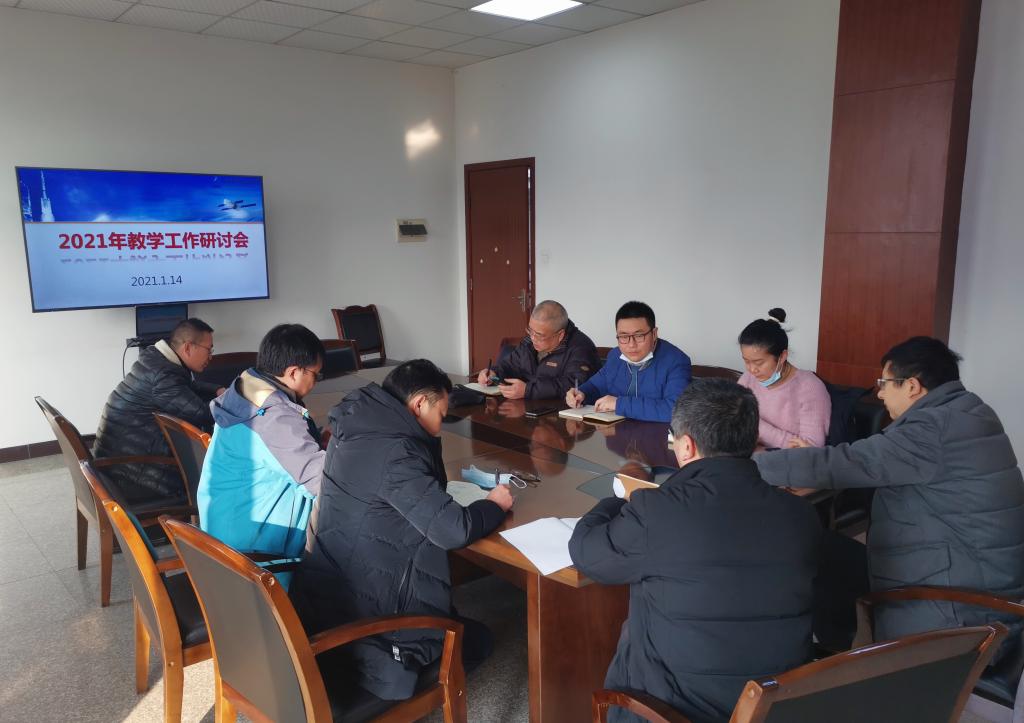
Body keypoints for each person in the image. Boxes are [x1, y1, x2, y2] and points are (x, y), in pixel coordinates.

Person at [569, 379, 821, 722]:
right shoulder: (801, 514)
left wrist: (618, 500)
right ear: (751, 442)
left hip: (676, 709)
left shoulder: (659, 511)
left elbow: (586, 552)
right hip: (774, 705)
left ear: (686, 446)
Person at [757, 337, 1024, 643]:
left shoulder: (931, 429)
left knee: (804, 548)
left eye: (884, 384)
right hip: (975, 579)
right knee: (819, 546)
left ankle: (850, 658)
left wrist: (743, 465)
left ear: (912, 386)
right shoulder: (970, 412)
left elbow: (845, 463)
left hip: (954, 606)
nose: (880, 393)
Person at [292, 359, 514, 701]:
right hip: (372, 625)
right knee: (478, 640)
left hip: (331, 597)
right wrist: (494, 504)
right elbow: (452, 531)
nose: (440, 428)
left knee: (464, 625)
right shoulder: (397, 452)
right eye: (441, 414)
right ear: (419, 404)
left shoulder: (356, 427)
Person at [197, 323, 326, 561]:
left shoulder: (246, 389)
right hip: (255, 558)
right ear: (294, 372)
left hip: (225, 531)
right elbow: (320, 481)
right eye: (316, 375)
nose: (316, 382)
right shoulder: (273, 417)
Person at [93, 318, 220, 506]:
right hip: (132, 476)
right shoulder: (163, 376)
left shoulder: (156, 360)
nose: (211, 356)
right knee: (217, 476)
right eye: (209, 350)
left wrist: (217, 391)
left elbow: (186, 387)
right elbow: (202, 413)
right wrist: (235, 400)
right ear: (187, 348)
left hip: (115, 463)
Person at [565, 301, 690, 422]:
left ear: (654, 333)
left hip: (655, 434)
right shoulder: (615, 356)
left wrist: (618, 404)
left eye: (639, 336)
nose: (631, 345)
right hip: (617, 432)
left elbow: (675, 410)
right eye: (624, 336)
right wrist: (581, 394)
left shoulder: (676, 361)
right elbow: (596, 386)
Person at [737, 307, 831, 448]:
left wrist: (753, 425)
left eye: (759, 363)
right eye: (746, 361)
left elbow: (809, 448)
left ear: (782, 357)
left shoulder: (810, 387)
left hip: (786, 460)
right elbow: (731, 424)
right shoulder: (747, 379)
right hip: (747, 455)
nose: (752, 369)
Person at [476, 300, 599, 400]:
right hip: (528, 408)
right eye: (530, 330)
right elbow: (510, 365)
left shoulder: (581, 348)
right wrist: (493, 373)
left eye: (539, 335)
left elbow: (575, 385)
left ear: (560, 335)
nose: (533, 338)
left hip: (560, 414)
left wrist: (528, 390)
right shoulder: (530, 341)